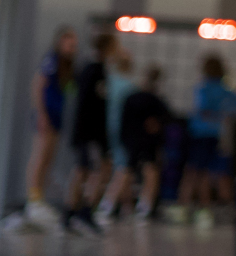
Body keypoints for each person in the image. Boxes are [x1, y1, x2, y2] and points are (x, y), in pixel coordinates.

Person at [179, 55, 236, 229]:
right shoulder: (225, 90)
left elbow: (201, 108)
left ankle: (185, 206)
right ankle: (206, 207)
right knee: (209, 172)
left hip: (200, 134)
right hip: (216, 135)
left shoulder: (204, 89)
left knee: (193, 171)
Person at [24, 26, 77, 228]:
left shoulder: (67, 66)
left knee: (48, 157)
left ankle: (39, 197)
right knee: (40, 155)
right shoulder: (51, 60)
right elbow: (38, 84)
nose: (72, 48)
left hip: (56, 115)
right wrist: (41, 113)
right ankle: (33, 199)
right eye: (69, 44)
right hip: (46, 114)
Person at [63, 31, 115, 236]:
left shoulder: (93, 69)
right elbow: (88, 106)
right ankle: (81, 211)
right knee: (93, 170)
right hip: (90, 133)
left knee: (84, 170)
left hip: (88, 132)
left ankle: (73, 212)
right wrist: (95, 136)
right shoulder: (94, 70)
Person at [118, 65, 173, 221]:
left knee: (128, 171)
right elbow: (167, 119)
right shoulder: (154, 100)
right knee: (149, 172)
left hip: (133, 140)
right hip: (147, 142)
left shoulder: (133, 97)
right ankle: (144, 206)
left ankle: (121, 205)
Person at [95, 49, 136, 222]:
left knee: (115, 164)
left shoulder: (108, 82)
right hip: (123, 130)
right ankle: (107, 203)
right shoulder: (129, 87)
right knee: (123, 166)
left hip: (106, 127)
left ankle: (126, 205)